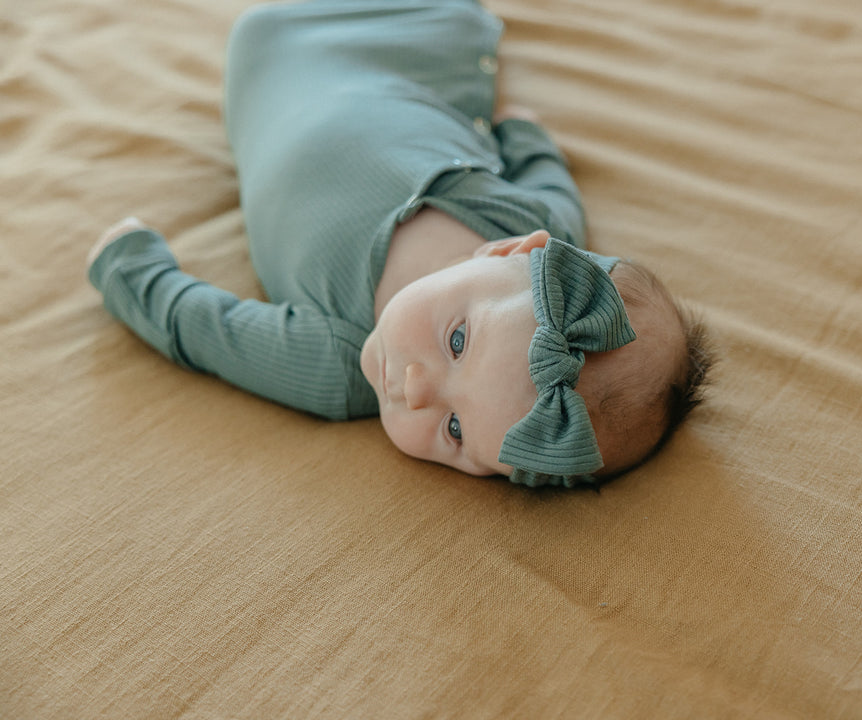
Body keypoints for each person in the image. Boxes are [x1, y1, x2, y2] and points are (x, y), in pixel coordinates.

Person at [87, 0, 711, 487]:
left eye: (457, 430)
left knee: (256, 26)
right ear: (511, 252)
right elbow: (554, 186)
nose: (413, 389)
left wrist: (130, 270)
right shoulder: (526, 221)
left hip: (274, 66)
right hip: (409, 58)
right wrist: (524, 133)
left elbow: (205, 328)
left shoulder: (335, 361)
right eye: (457, 341)